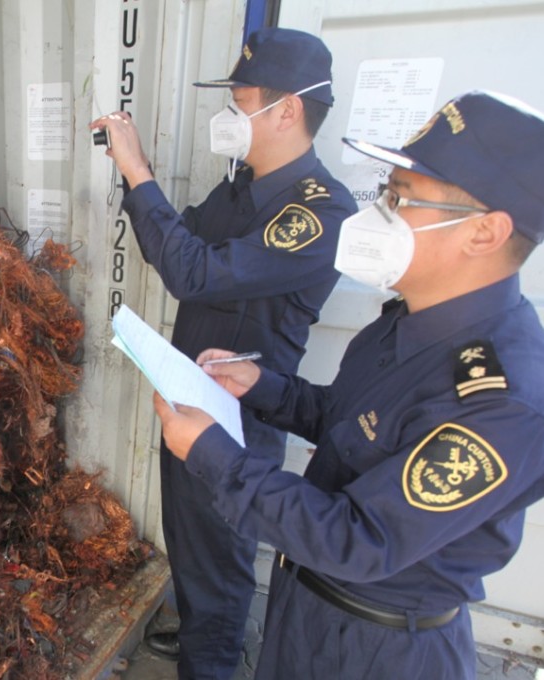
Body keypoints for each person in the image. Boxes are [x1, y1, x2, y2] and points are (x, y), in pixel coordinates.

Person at [153, 90, 544, 679]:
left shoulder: (502, 400)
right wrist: (263, 387)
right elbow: (348, 424)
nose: (379, 213)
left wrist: (211, 453)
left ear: (484, 233)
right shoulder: (408, 321)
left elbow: (357, 538)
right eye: (386, 192)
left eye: (401, 199)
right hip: (307, 612)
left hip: (377, 650)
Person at [89, 28, 356, 678]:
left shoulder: (320, 211)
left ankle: (209, 663)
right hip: (189, 400)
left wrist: (139, 171)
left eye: (242, 101)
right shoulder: (239, 189)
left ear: (287, 111)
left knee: (220, 574)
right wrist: (138, 184)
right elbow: (177, 244)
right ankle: (200, 644)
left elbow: (194, 274)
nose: (229, 114)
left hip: (238, 422)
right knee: (191, 552)